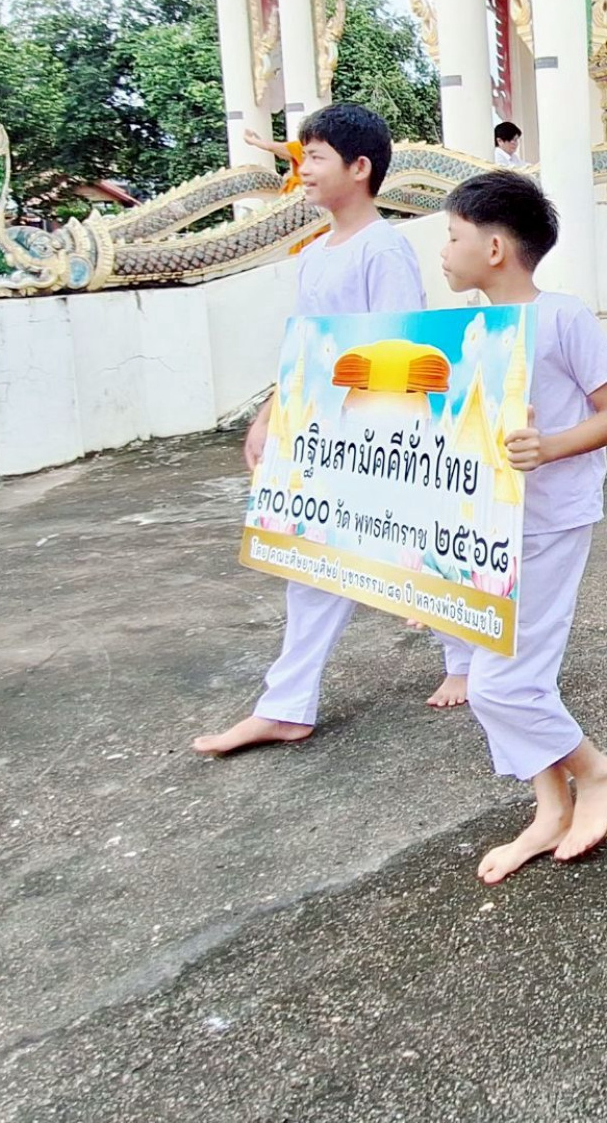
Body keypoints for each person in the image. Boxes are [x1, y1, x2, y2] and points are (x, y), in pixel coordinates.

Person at [194, 105, 435, 756]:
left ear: (359, 169)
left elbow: (400, 347)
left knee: (422, 550)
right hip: (322, 433)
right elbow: (304, 347)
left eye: (317, 156)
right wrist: (273, 413)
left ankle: (466, 662)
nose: (302, 169)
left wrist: (376, 441)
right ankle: (287, 704)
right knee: (318, 561)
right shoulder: (315, 254)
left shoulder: (383, 249)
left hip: (371, 434)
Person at [432, 168, 607, 883]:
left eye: (451, 237)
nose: (443, 251)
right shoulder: (468, 330)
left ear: (493, 248)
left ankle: (596, 771)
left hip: (548, 521)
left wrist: (549, 446)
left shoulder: (562, 318)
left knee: (500, 685)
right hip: (484, 525)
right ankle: (549, 806)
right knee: (516, 676)